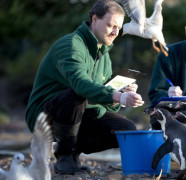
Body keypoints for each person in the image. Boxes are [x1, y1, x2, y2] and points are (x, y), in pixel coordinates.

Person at [25, 0, 144, 175]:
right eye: (111, 25)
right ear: (94, 19)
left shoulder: (104, 53)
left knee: (127, 130)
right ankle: (64, 158)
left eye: (118, 28)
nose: (115, 32)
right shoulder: (71, 45)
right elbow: (81, 85)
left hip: (80, 113)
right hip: (43, 116)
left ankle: (73, 152)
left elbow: (102, 100)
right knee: (76, 95)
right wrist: (117, 96)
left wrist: (119, 95)